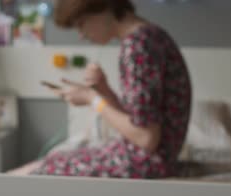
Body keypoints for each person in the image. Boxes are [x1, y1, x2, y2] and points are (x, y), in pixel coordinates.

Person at [11, 0, 191, 179]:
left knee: (32, 173)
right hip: (149, 159)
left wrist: (92, 99)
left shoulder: (138, 46)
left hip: (146, 164)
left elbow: (146, 138)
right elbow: (136, 122)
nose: (81, 35)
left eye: (81, 24)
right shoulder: (150, 35)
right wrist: (104, 90)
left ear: (103, 7)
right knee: (49, 160)